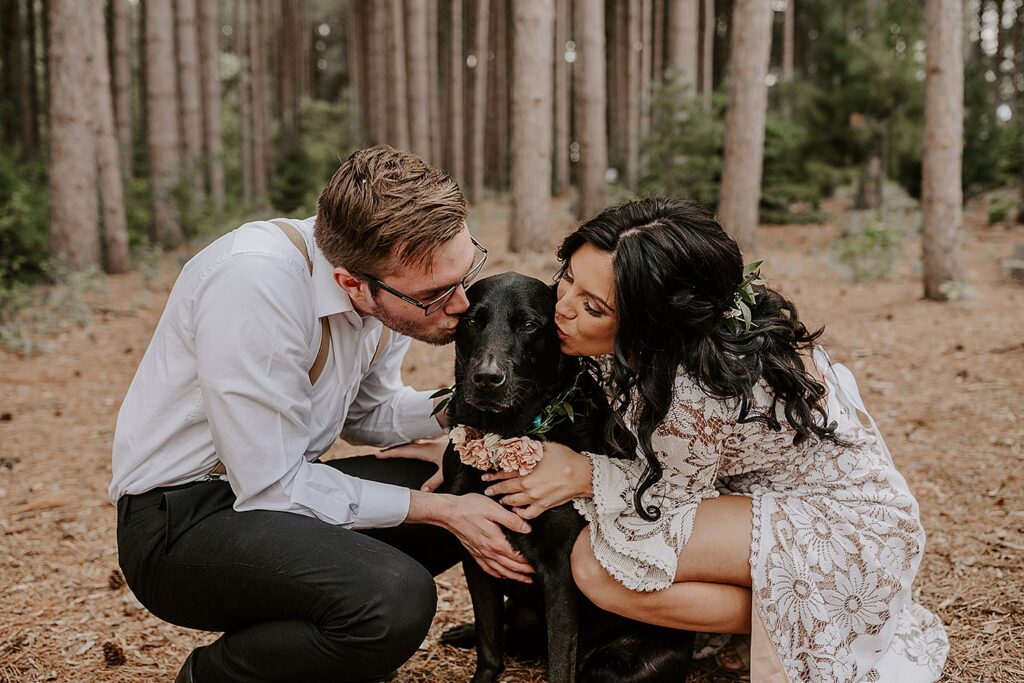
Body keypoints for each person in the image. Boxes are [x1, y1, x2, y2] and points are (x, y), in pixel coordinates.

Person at [109, 145, 534, 683]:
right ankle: (218, 674)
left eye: (466, 272)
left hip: (263, 499)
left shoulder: (383, 285)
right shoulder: (255, 285)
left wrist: (468, 406)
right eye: (436, 295)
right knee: (395, 597)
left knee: (449, 482)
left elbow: (369, 415)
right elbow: (275, 487)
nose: (461, 305)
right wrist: (447, 513)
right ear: (352, 283)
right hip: (178, 522)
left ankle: (311, 633)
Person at [480, 198, 948, 682]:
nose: (563, 308)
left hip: (839, 520)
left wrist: (583, 474)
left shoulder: (696, 392)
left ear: (651, 327)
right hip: (750, 494)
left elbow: (670, 501)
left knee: (599, 568)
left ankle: (811, 617)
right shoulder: (619, 337)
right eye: (569, 277)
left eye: (593, 307)